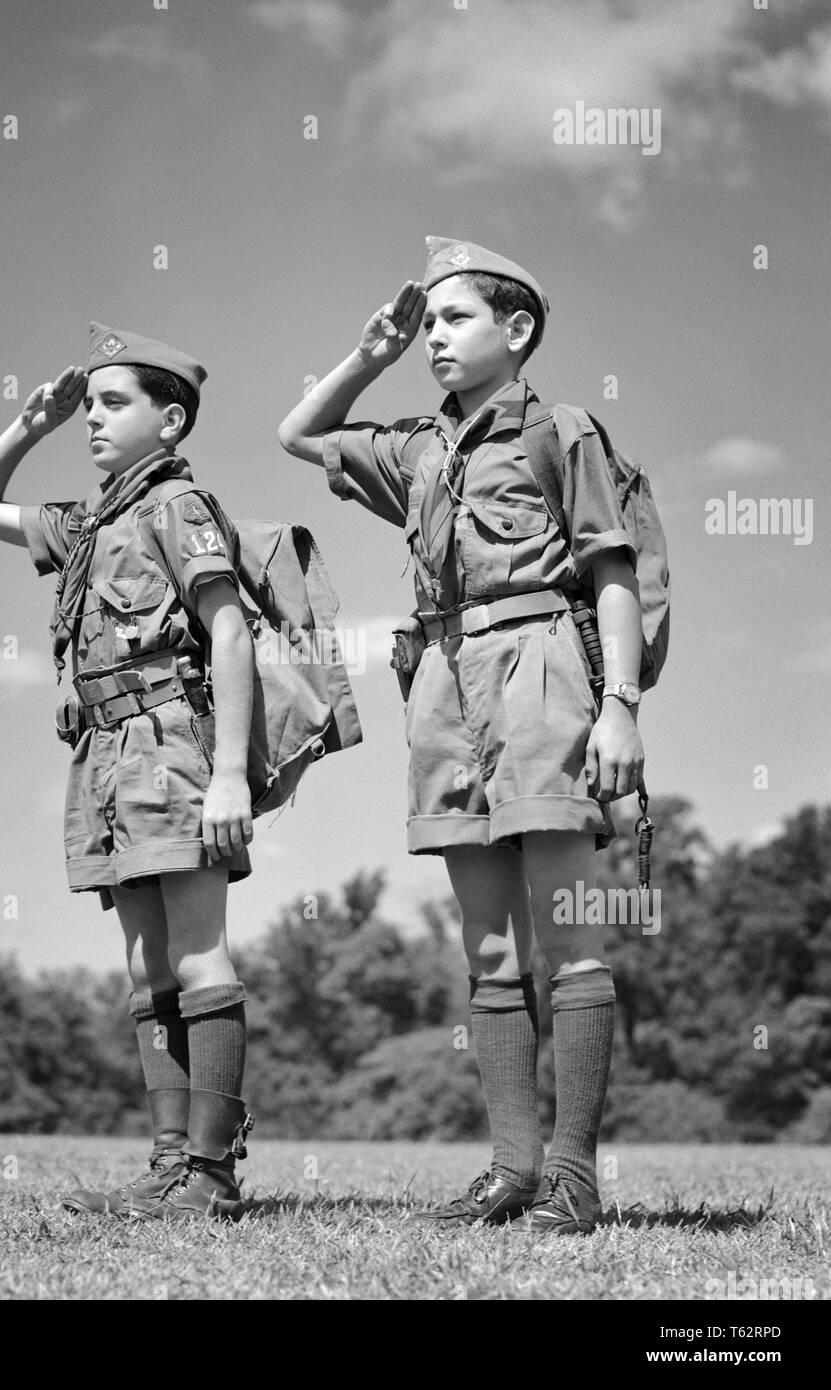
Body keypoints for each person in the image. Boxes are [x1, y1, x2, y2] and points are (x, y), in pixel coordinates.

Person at [278, 238, 646, 1234]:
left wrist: (619, 705)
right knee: (487, 949)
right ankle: (512, 1170)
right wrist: (368, 354)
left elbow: (610, 571)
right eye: (427, 322)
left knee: (566, 940)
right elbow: (297, 433)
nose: (432, 336)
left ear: (515, 330)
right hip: (440, 678)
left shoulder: (559, 431)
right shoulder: (417, 448)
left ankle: (572, 1173)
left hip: (540, 665)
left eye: (452, 318)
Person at [0, 323, 256, 1222]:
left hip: (169, 743)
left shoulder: (176, 507)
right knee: (143, 965)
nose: (92, 418)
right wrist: (29, 426)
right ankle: (169, 1166)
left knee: (199, 955)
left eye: (112, 403)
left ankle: (212, 1172)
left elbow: (229, 629)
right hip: (103, 753)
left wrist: (230, 772)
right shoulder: (87, 524)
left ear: (170, 422)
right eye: (88, 405)